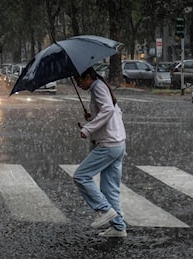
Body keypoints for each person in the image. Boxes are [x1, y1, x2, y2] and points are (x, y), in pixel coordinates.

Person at [73, 67, 127, 238]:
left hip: (109, 144)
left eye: (79, 81)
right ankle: (119, 227)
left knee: (81, 176)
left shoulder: (97, 87)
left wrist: (88, 129)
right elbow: (111, 112)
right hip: (118, 143)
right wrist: (92, 117)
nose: (79, 85)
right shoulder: (101, 86)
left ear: (88, 76)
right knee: (110, 188)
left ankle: (104, 210)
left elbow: (108, 111)